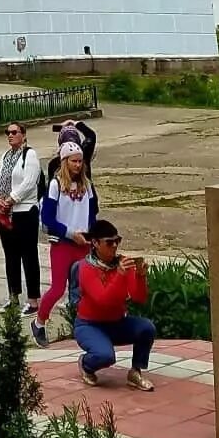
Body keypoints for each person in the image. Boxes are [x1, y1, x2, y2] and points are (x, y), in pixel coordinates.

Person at [68, 219, 156, 390]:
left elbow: (139, 298)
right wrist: (120, 275)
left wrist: (140, 277)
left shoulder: (122, 264)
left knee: (147, 328)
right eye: (109, 242)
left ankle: (135, 372)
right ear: (95, 243)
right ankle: (86, 364)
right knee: (105, 356)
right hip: (89, 325)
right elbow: (103, 300)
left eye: (118, 240)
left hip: (116, 322)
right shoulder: (86, 268)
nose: (115, 245)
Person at [33, 141, 99, 346]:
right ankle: (40, 322)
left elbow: (92, 214)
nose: (78, 165)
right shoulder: (55, 185)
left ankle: (87, 326)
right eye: (74, 161)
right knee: (58, 288)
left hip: (84, 244)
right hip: (63, 244)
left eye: (80, 161)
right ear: (65, 162)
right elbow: (48, 218)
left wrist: (92, 236)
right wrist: (70, 233)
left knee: (87, 287)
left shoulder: (87, 185)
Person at [0, 121, 43, 313]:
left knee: (28, 255)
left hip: (24, 211)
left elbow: (30, 181)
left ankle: (33, 300)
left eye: (14, 132)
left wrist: (12, 199)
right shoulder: (5, 156)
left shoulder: (29, 155)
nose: (10, 135)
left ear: (23, 134)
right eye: (8, 132)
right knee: (10, 255)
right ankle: (13, 296)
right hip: (6, 213)